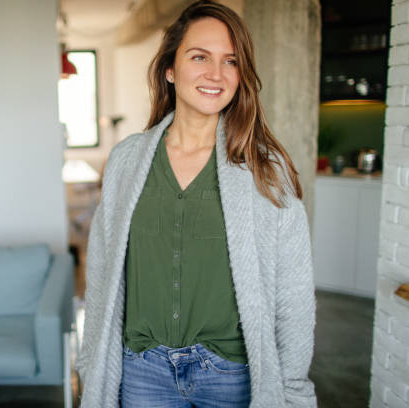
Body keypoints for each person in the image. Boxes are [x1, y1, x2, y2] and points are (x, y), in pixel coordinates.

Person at [76, 1, 316, 407]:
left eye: (231, 61)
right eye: (199, 56)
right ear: (170, 68)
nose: (216, 74)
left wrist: (291, 387)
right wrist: (90, 367)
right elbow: (101, 275)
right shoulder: (128, 160)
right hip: (143, 371)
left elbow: (293, 293)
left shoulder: (263, 167)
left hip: (231, 375)